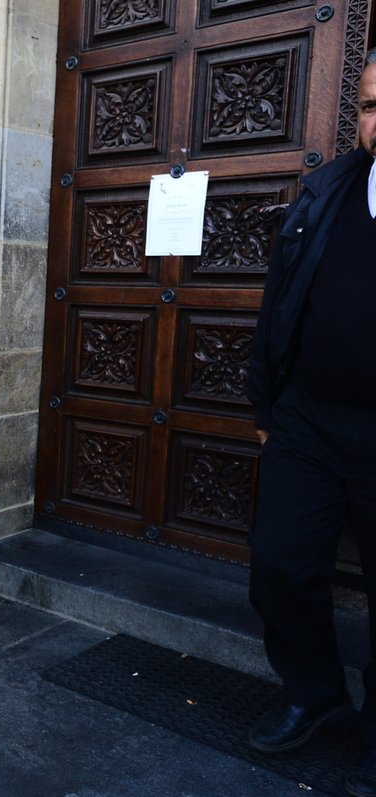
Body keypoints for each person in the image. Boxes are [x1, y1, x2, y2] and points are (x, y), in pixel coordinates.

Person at [247, 49, 376, 796]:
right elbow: (279, 306)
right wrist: (269, 405)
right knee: (280, 563)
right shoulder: (326, 191)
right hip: (309, 423)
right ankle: (314, 689)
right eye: (368, 104)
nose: (375, 120)